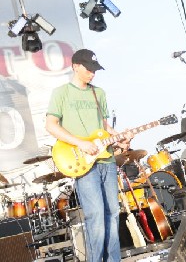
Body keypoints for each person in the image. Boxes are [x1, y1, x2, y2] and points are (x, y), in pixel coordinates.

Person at [46, 49, 131, 262]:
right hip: (84, 163)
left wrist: (120, 138)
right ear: (75, 66)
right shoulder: (61, 93)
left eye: (95, 70)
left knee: (112, 214)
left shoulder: (98, 93)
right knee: (96, 217)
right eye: (88, 69)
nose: (92, 73)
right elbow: (51, 125)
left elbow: (104, 127)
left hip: (107, 160)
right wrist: (80, 143)